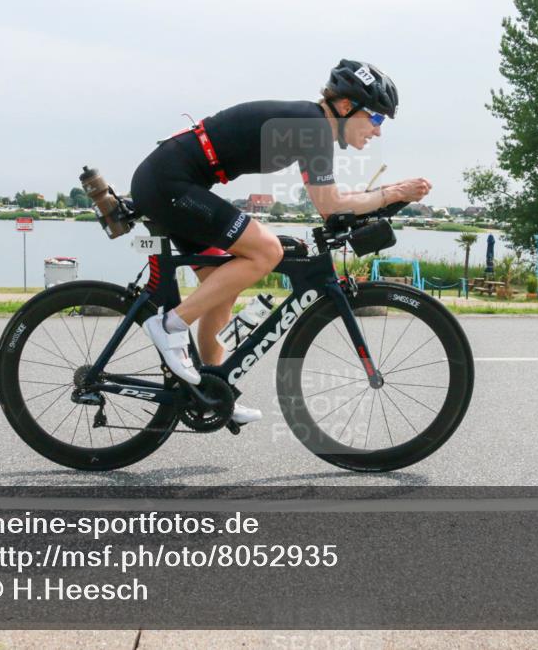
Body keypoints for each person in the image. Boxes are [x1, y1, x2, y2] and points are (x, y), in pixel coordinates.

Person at [130, 59, 430, 425]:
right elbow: (331, 205)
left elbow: (329, 200)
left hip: (171, 182)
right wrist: (390, 193)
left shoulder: (310, 126)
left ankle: (210, 388)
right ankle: (170, 326)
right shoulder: (313, 127)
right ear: (348, 107)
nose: (378, 132)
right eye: (377, 119)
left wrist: (389, 194)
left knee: (221, 285)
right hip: (170, 184)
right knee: (267, 250)